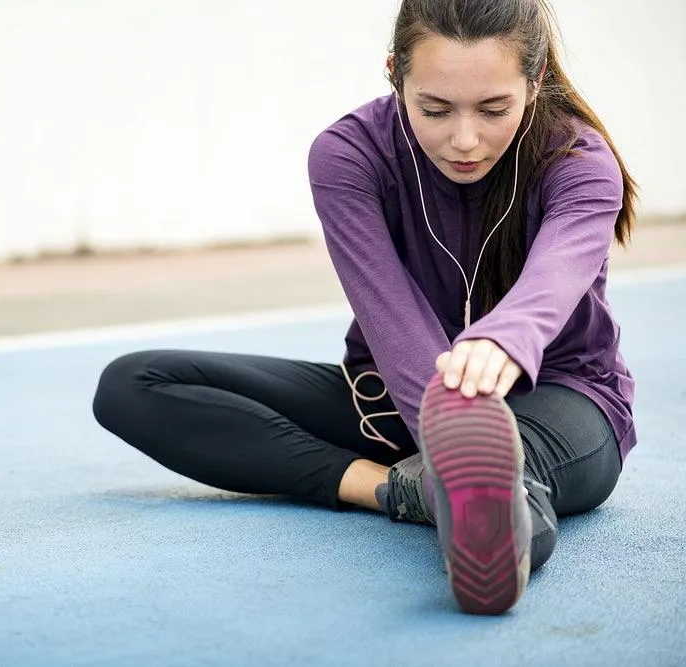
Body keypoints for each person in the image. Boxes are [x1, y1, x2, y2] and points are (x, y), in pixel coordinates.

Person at [92, 0, 637, 616]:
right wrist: (444, 420)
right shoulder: (348, 156)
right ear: (394, 74)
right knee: (133, 384)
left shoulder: (579, 163)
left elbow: (552, 280)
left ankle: (477, 500)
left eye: (494, 109)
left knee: (493, 481)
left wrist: (502, 342)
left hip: (560, 400)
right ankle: (394, 490)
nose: (464, 139)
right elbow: (389, 316)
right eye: (434, 109)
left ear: (534, 83)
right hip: (394, 403)